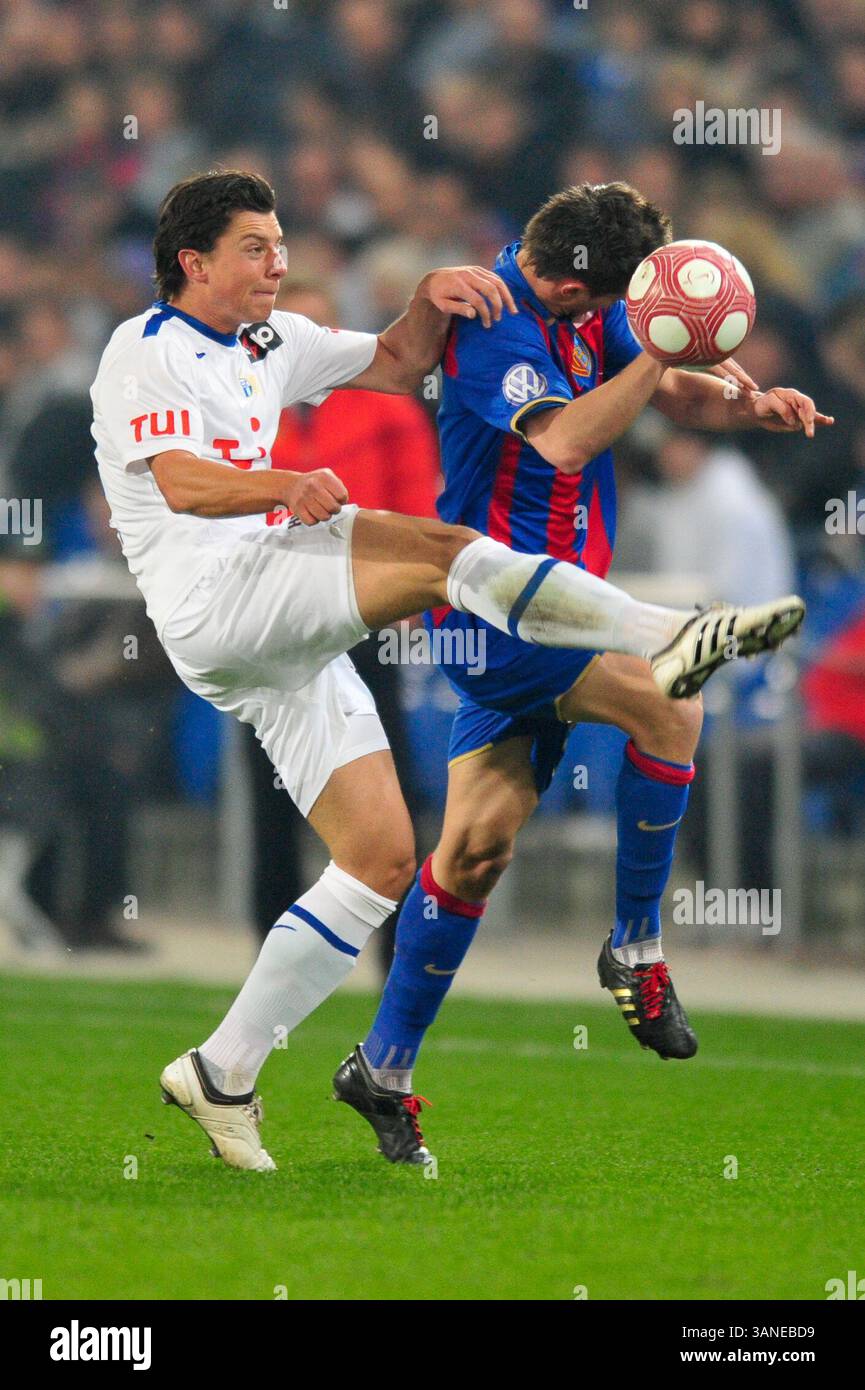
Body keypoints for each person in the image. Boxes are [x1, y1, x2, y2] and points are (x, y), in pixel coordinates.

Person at [90, 170, 807, 1172]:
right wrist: (283, 479)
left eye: (282, 240)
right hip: (216, 595)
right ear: (192, 263)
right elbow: (181, 482)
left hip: (284, 633)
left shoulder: (272, 342)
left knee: (390, 858)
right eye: (256, 247)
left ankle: (230, 1070)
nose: (280, 261)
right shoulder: (143, 352)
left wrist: (424, 294)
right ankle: (664, 637)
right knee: (441, 552)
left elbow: (391, 361)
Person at [340, 182, 831, 1166]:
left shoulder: (587, 316)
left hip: (567, 604)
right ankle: (637, 949)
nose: (605, 321)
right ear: (566, 279)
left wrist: (745, 400)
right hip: (497, 609)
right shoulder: (492, 329)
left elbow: (675, 390)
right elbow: (564, 439)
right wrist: (654, 343)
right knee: (666, 705)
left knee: (474, 851)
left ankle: (379, 1068)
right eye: (600, 305)